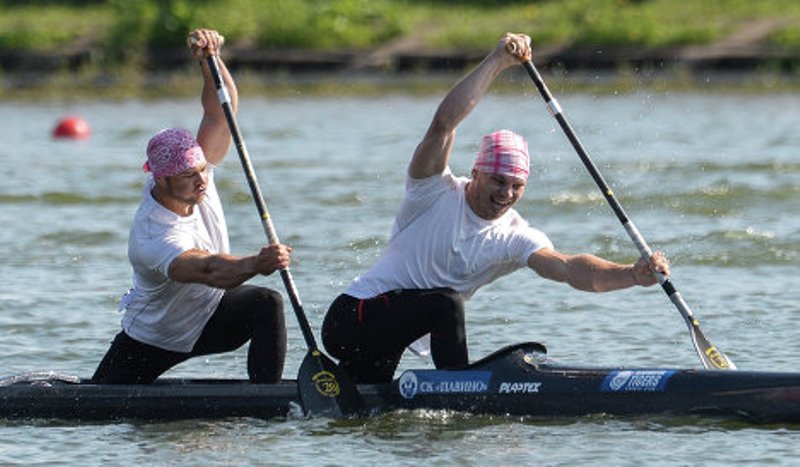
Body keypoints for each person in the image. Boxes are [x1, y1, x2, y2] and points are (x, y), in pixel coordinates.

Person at [321, 33, 671, 384]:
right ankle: (458, 388)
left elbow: (570, 269)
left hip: (390, 338)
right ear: (475, 173)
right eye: (498, 181)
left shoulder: (514, 236)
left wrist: (632, 275)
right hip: (350, 319)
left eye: (516, 185)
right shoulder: (432, 191)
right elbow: (444, 124)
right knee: (446, 303)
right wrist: (497, 62)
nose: (506, 193)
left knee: (365, 404)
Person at [92, 29, 291, 384]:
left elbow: (221, 112)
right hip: (154, 338)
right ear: (161, 180)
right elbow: (209, 270)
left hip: (211, 317)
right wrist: (257, 263)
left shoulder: (199, 177)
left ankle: (268, 403)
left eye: (202, 170)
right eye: (189, 176)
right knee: (98, 400)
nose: (202, 181)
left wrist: (209, 60)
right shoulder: (153, 236)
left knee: (266, 303)